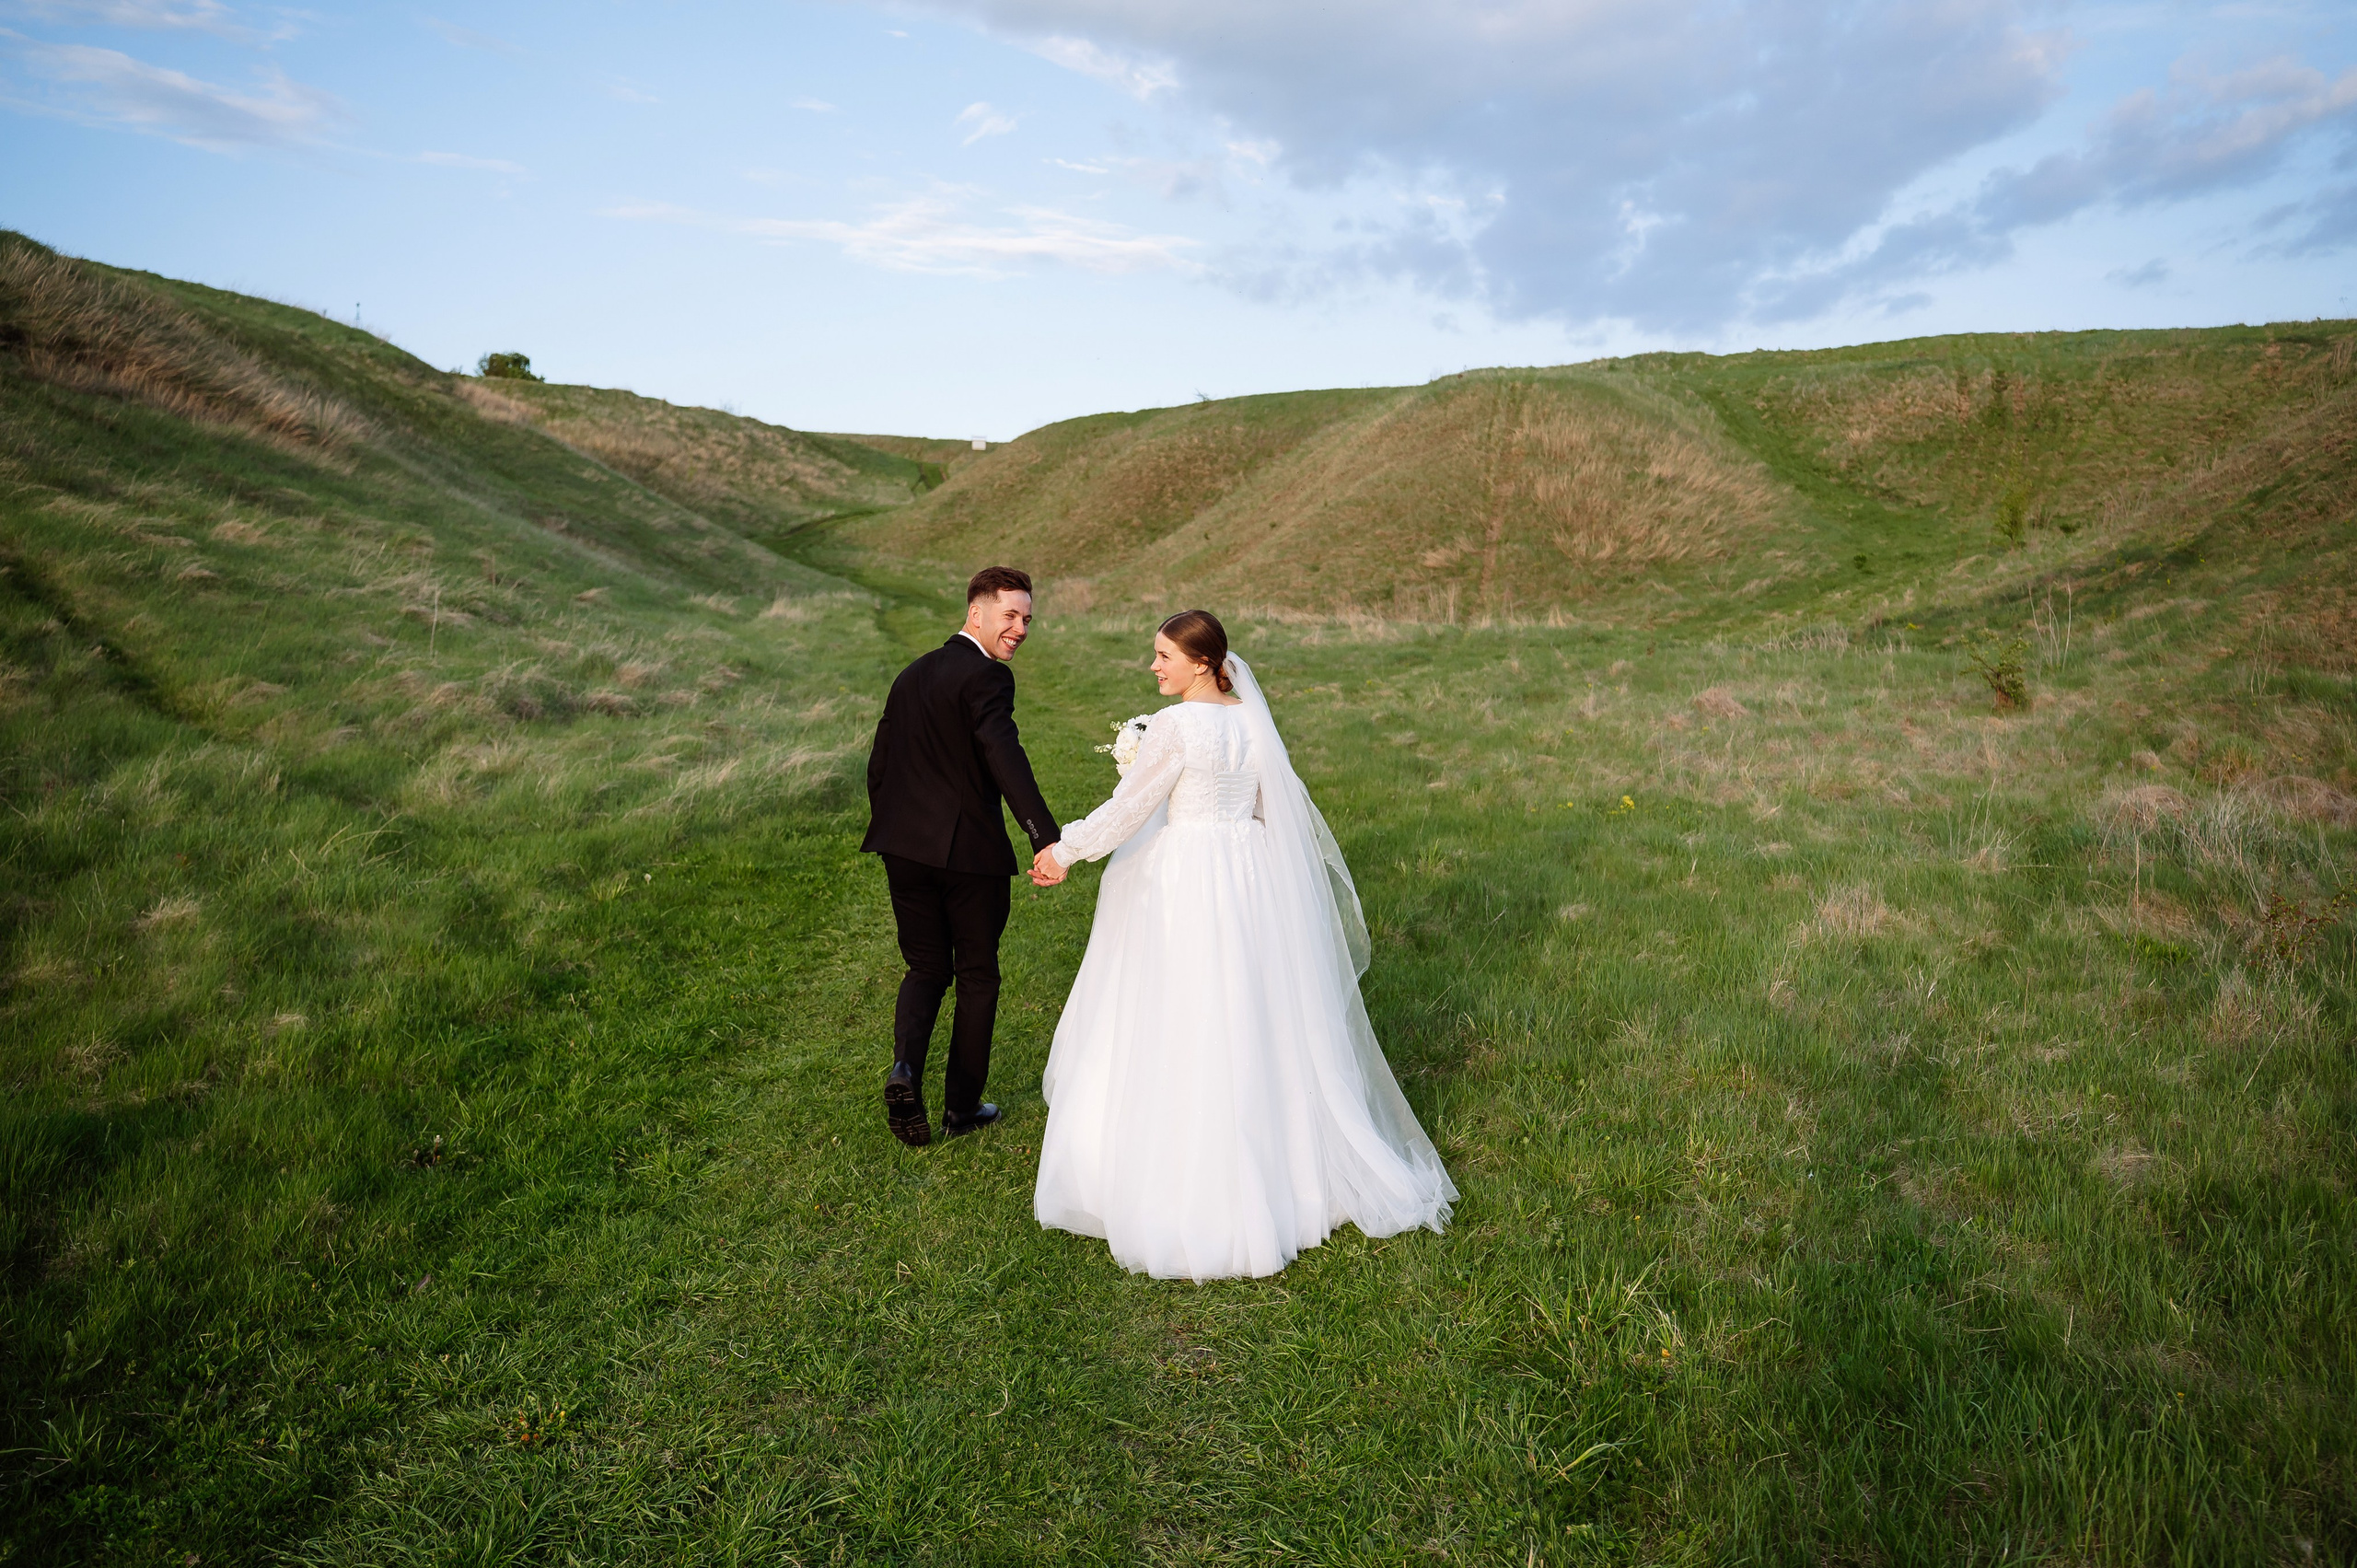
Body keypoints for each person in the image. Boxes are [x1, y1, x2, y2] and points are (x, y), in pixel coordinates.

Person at [1027, 610, 1456, 1280]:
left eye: (1164, 655)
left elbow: (1128, 809)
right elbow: (1266, 808)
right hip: (1248, 875)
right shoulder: (1250, 719)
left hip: (1187, 880)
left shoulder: (1172, 727)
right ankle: (1283, 1177)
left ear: (1201, 662)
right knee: (1253, 1014)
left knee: (1183, 1016)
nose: (1154, 666)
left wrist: (1065, 849)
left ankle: (1181, 1184)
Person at [861, 566, 1060, 1147]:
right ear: (977, 612)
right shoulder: (988, 678)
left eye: (1027, 618)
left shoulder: (912, 673)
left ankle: (904, 1071)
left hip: (902, 848)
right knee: (977, 976)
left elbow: (880, 764)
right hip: (968, 856)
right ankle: (962, 1107)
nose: (1021, 628)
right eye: (1010, 616)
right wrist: (1042, 836)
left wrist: (894, 825)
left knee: (925, 967)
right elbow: (1005, 755)